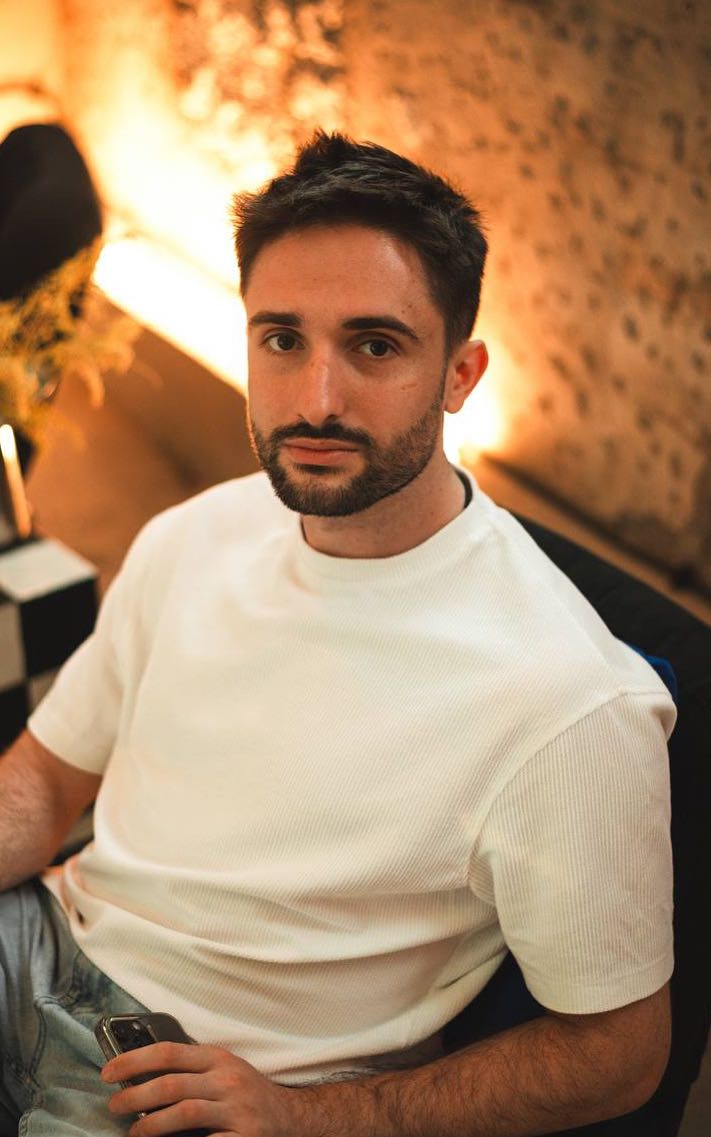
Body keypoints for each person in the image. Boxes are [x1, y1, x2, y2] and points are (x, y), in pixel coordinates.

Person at [0, 132, 675, 1137]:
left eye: (375, 346)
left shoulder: (569, 704)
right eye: (282, 340)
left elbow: (618, 1054)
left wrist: (308, 1115)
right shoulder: (193, 533)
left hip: (201, 1073)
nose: (316, 399)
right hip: (38, 938)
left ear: (460, 373)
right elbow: (49, 778)